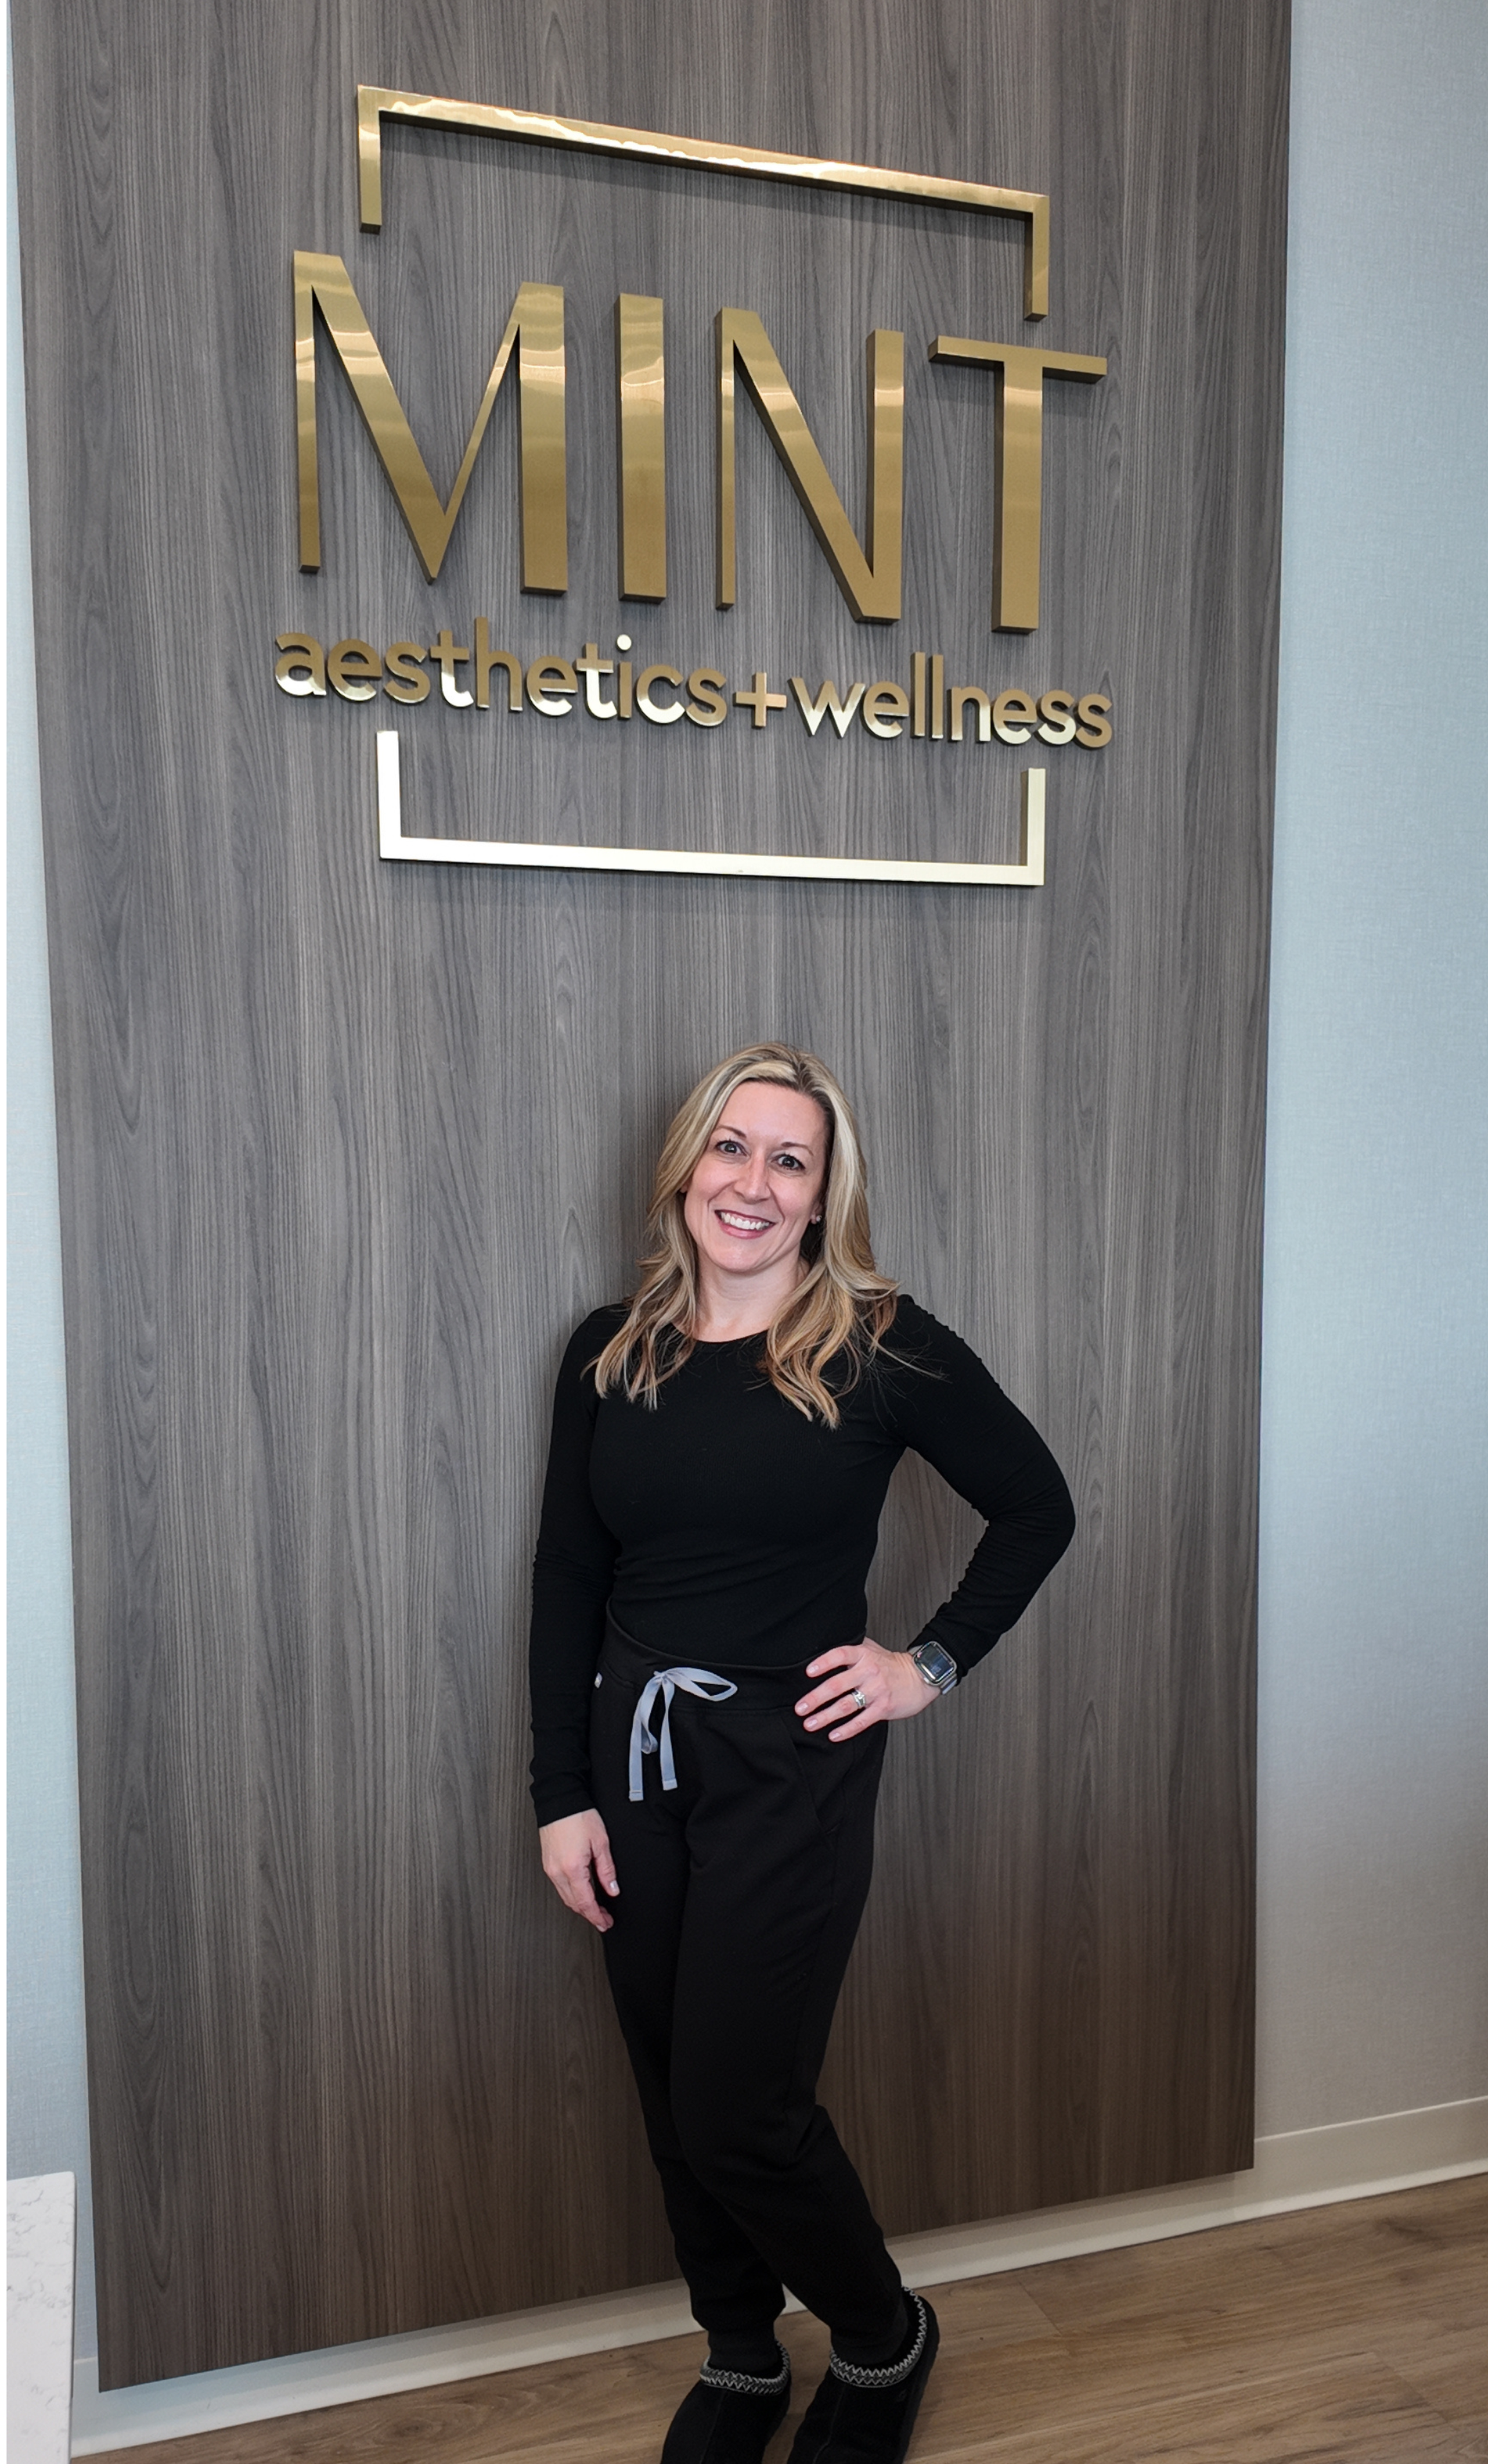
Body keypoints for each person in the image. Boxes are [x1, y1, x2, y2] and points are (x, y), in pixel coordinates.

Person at [530, 1044, 1075, 2464]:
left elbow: (1036, 1507)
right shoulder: (612, 1347)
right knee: (667, 2085)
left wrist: (926, 1663)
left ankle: (885, 2337)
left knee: (738, 2104)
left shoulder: (881, 1341)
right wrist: (560, 1794)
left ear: (825, 1193)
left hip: (793, 1762)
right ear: (684, 1167)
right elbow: (564, 1584)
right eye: (731, 1148)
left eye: (789, 1159)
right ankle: (740, 2356)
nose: (753, 1182)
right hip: (633, 1758)